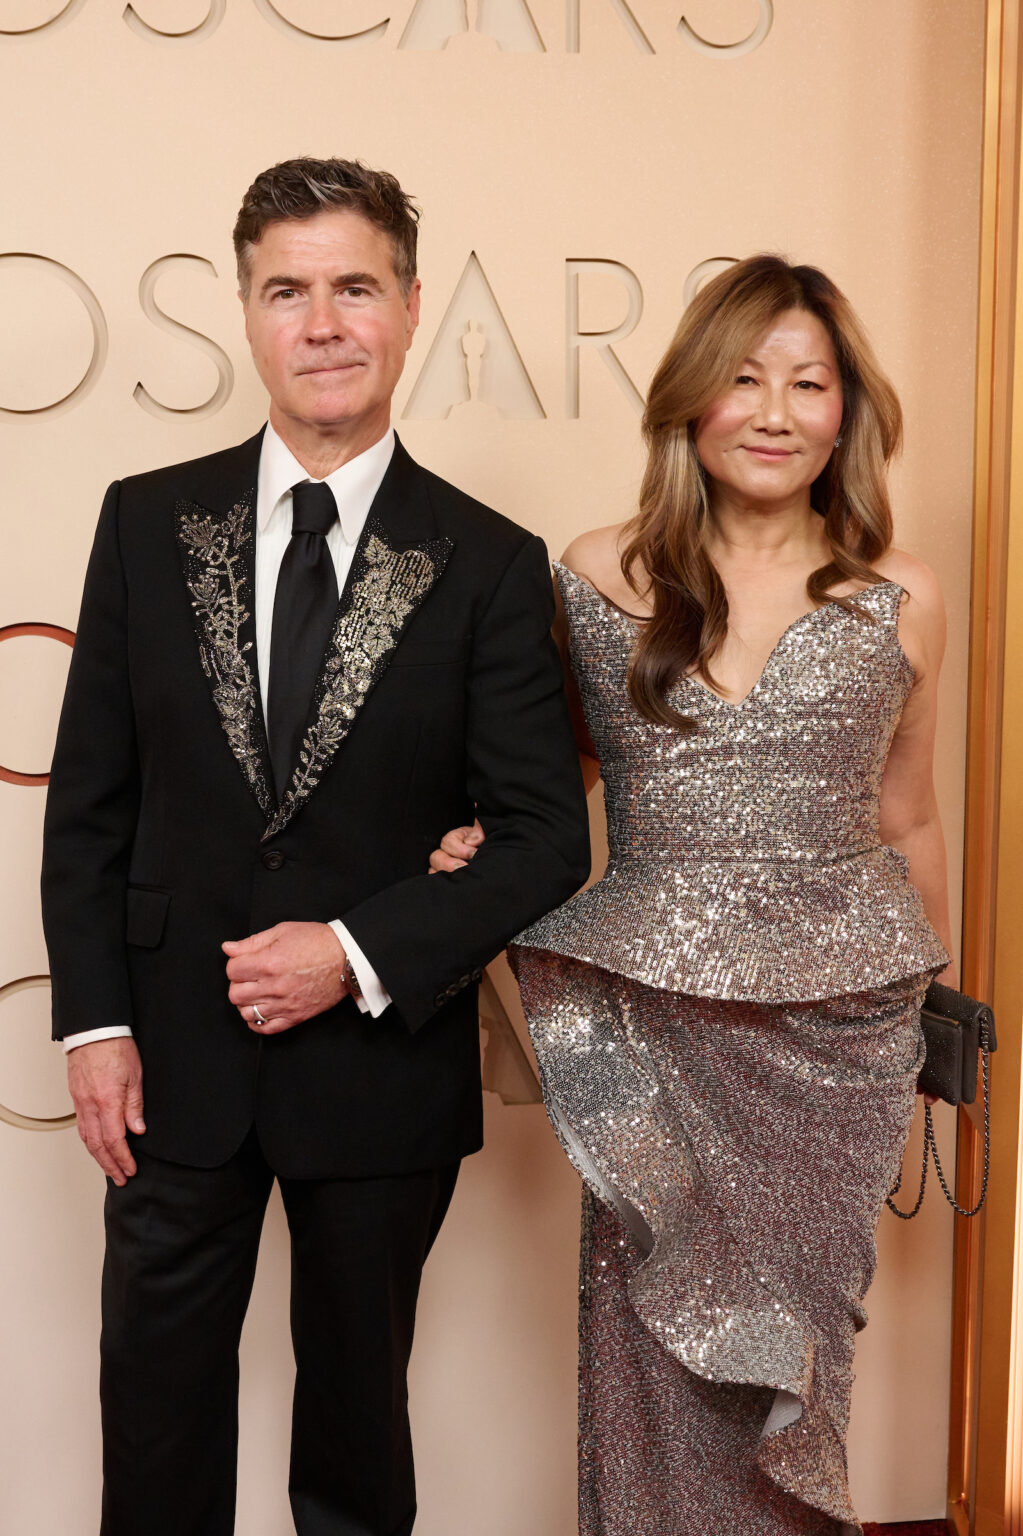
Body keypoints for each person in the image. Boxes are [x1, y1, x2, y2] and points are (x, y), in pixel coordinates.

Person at [40, 156, 589, 1536]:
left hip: (378, 1070)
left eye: (354, 286)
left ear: (407, 306)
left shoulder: (486, 560)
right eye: (288, 290)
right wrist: (93, 1025)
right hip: (170, 1058)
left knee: (355, 1435)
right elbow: (90, 805)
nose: (323, 320)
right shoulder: (144, 522)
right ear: (245, 313)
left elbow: (538, 838)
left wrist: (353, 953)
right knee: (152, 1419)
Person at [431, 255, 953, 1535]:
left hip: (838, 1045)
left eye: (809, 382)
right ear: (690, 404)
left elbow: (910, 815)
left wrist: (947, 1010)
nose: (775, 411)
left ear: (847, 412)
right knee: (647, 1342)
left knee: (804, 1357)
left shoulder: (907, 595)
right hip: (647, 1027)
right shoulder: (597, 573)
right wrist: (475, 848)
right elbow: (550, 789)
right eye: (743, 377)